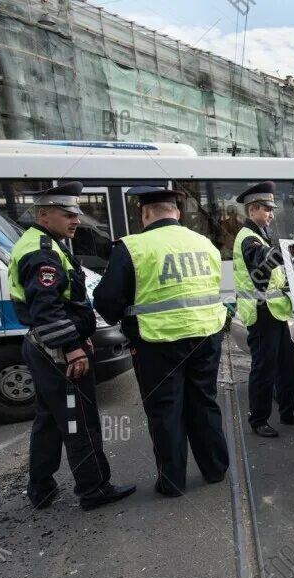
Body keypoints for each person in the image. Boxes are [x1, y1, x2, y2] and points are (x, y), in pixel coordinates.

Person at [94, 186, 230, 497]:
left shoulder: (132, 247)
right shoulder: (204, 243)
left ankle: (172, 481)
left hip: (158, 341)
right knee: (204, 402)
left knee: (165, 409)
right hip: (206, 335)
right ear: (177, 212)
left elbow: (107, 300)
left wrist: (124, 318)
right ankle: (215, 469)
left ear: (145, 214)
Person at [8, 182, 135, 511]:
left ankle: (41, 487)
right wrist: (73, 347)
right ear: (44, 214)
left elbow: (62, 303)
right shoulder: (43, 252)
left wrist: (81, 334)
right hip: (57, 351)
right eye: (68, 214)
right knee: (80, 420)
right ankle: (93, 490)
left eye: (77, 213)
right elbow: (46, 308)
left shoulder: (44, 243)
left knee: (49, 420)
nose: (76, 220)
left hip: (44, 346)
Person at [232, 181, 294, 438]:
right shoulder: (248, 238)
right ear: (253, 209)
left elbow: (272, 274)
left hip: (275, 311)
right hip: (261, 312)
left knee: (289, 365)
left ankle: (287, 413)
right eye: (267, 209)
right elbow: (262, 265)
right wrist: (283, 252)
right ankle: (259, 420)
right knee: (263, 370)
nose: (271, 214)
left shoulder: (260, 235)